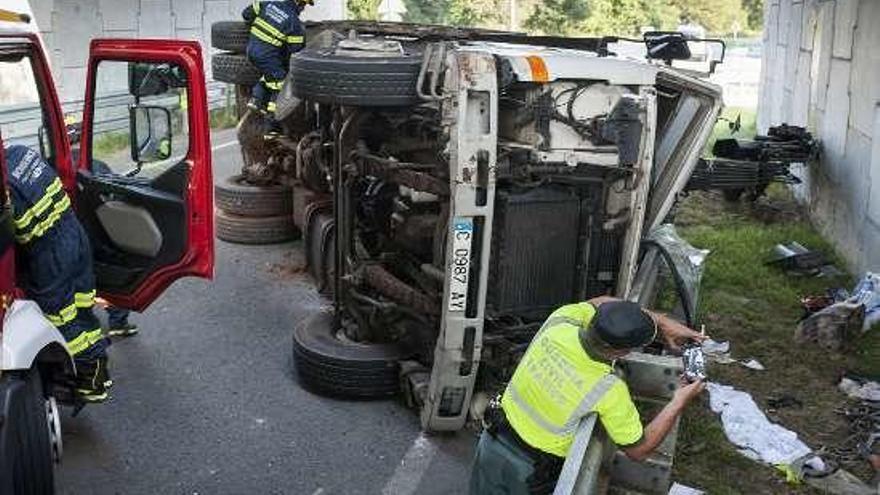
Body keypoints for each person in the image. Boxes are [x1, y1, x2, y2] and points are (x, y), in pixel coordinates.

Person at [470, 297, 707, 494]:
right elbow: (639, 450)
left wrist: (661, 322)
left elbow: (602, 301)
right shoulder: (608, 388)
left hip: (491, 441)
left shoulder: (561, 319)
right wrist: (678, 401)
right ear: (624, 351)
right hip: (529, 472)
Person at [7, 145, 112, 403]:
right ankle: (98, 374)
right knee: (82, 309)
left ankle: (89, 380)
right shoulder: (22, 153)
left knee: (62, 319)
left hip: (50, 254)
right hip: (74, 233)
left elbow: (10, 231)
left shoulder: (4, 184)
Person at [241, 0, 311, 137]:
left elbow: (246, 14)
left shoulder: (268, 4)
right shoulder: (294, 23)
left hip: (251, 50)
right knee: (280, 85)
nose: (303, 9)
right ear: (297, 3)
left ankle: (256, 100)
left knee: (270, 75)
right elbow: (295, 53)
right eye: (303, 5)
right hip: (267, 56)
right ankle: (271, 127)